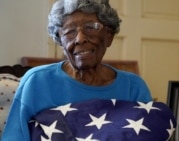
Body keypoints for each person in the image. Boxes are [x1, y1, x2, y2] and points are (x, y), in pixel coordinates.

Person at [1, 0, 152, 140]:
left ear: (109, 36)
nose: (80, 38)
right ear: (60, 40)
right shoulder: (37, 81)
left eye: (91, 27)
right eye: (69, 32)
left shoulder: (133, 87)